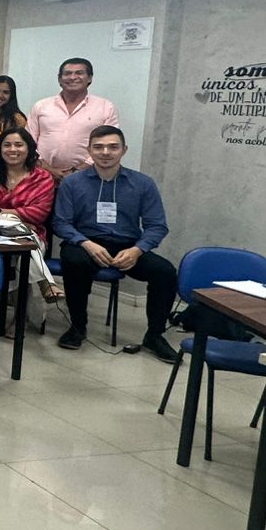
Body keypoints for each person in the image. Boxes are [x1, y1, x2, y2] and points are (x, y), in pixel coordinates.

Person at [50, 126, 177, 360]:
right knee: (74, 261)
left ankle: (155, 335)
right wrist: (86, 243)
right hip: (85, 243)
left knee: (165, 272)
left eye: (113, 147)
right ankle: (77, 327)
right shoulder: (72, 183)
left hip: (127, 246)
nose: (106, 152)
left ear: (124, 150)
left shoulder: (143, 184)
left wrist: (137, 250)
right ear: (89, 150)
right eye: (98, 147)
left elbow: (157, 225)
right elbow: (61, 222)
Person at [0, 127, 63, 305]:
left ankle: (16, 310)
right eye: (7, 145)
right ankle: (45, 284)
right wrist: (12, 215)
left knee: (25, 246)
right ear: (0, 148)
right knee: (24, 249)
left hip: (28, 232)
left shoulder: (42, 178)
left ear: (29, 149)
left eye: (19, 145)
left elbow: (38, 213)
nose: (13, 149)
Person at [26, 57, 121, 181]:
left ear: (90, 78)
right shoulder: (41, 106)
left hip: (88, 177)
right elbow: (28, 142)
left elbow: (109, 144)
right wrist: (49, 170)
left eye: (79, 73)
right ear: (59, 79)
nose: (72, 77)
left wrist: (78, 171)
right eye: (67, 73)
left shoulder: (105, 107)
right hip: (42, 177)